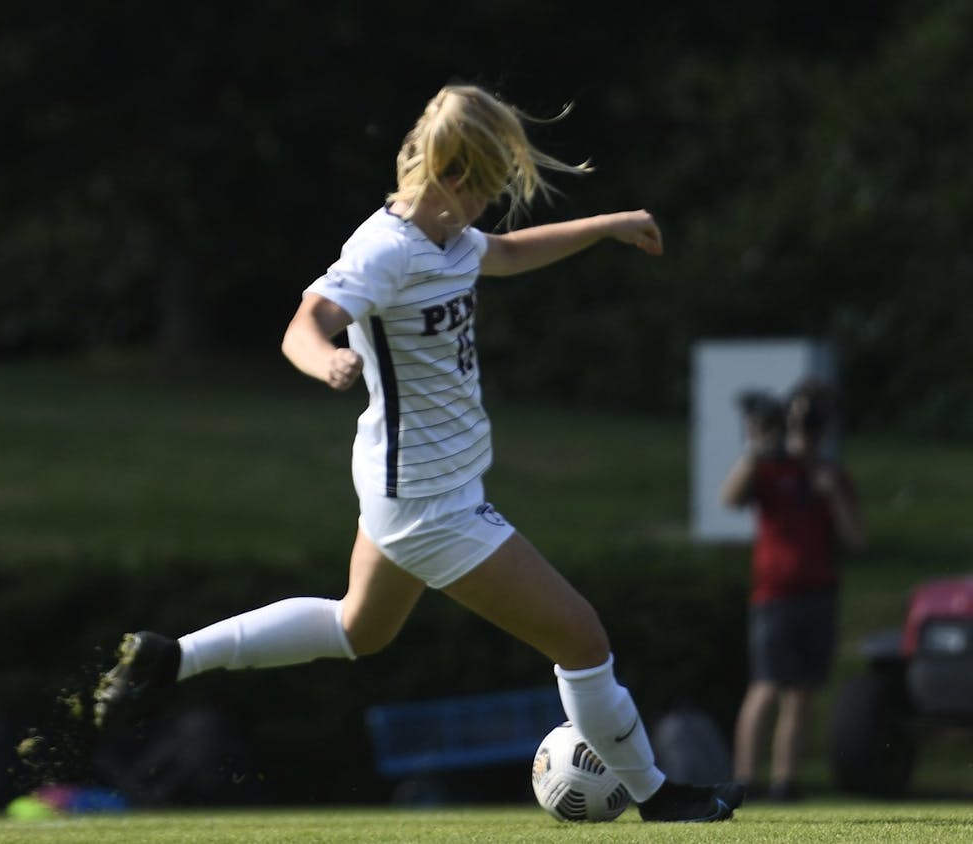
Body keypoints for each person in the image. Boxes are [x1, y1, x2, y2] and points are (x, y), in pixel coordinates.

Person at [91, 83, 744, 822]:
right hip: (431, 503)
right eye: (492, 186)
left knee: (356, 630)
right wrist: (324, 360)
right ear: (459, 176)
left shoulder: (452, 238)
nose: (493, 204)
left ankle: (170, 656)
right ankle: (658, 797)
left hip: (408, 487)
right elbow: (306, 322)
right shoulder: (385, 248)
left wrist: (606, 225)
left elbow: (498, 253)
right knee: (582, 639)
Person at [718, 379, 866, 801]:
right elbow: (730, 497)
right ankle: (743, 781)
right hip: (775, 594)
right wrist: (756, 447)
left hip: (819, 593)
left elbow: (856, 540)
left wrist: (831, 495)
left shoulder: (833, 475)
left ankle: (786, 782)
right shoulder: (769, 468)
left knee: (801, 692)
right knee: (766, 685)